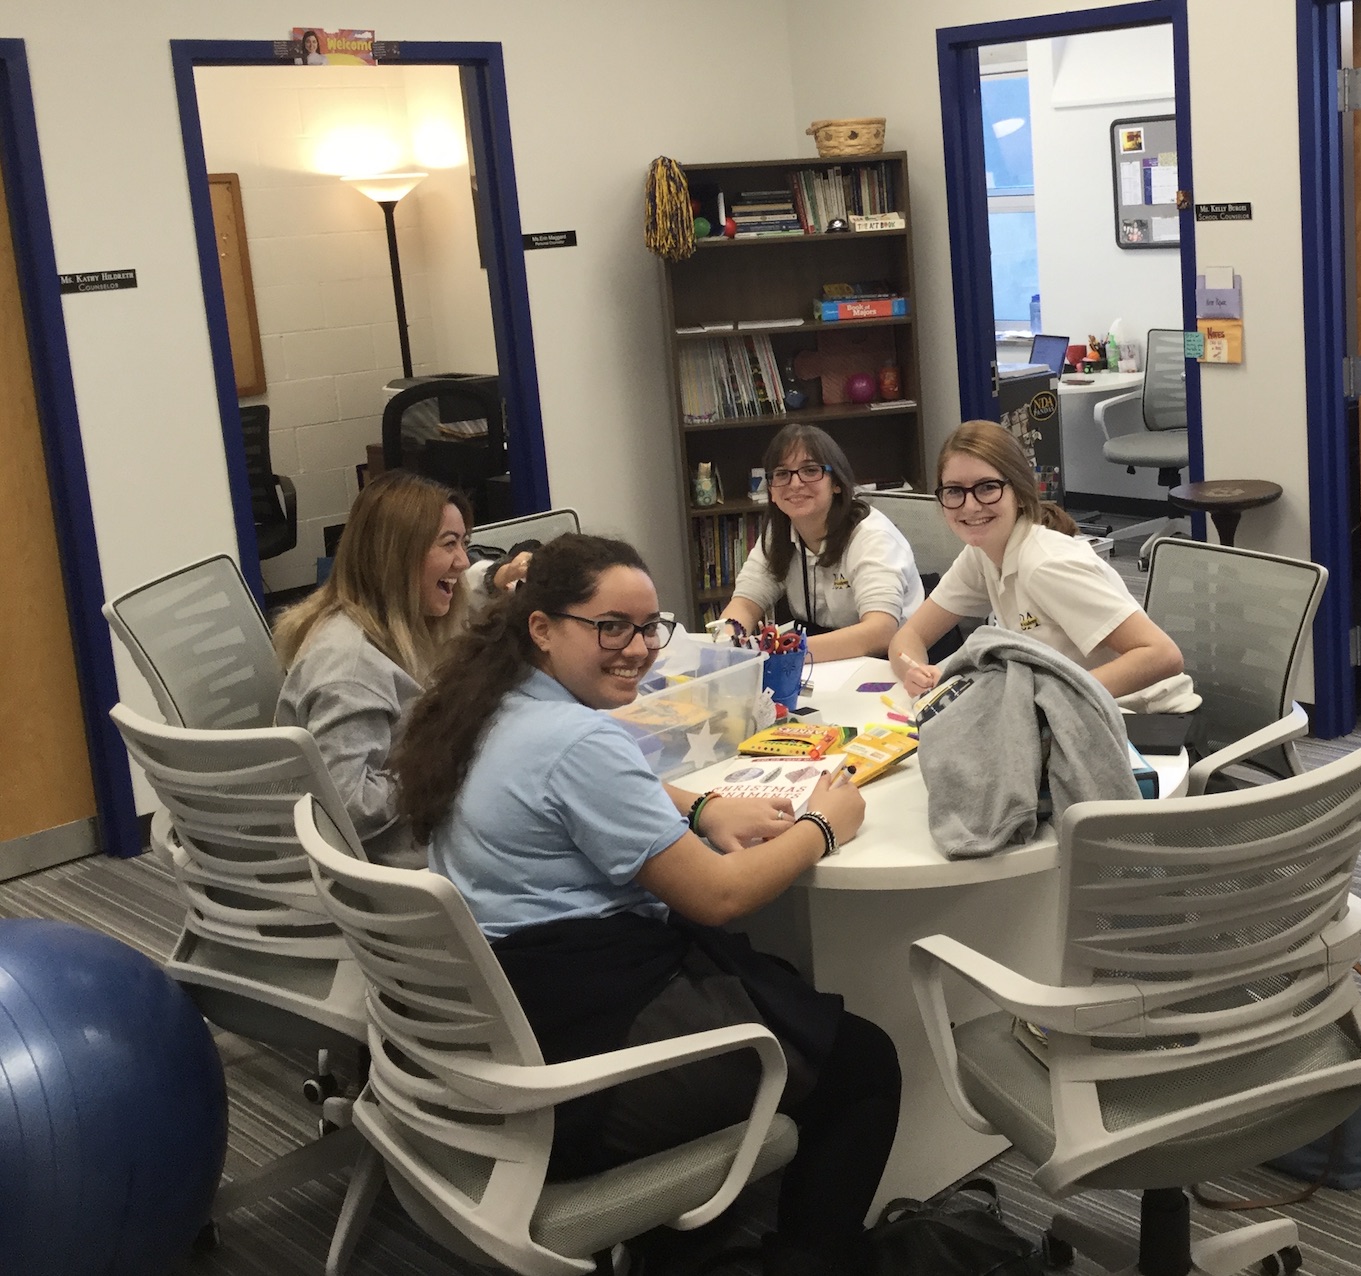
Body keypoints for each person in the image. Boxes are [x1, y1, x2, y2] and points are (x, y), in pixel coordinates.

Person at [395, 534, 898, 1276]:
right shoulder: (578, 742)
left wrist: (700, 809)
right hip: (580, 1074)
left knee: (773, 985)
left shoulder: (487, 706)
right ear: (542, 628)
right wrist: (826, 827)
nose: (637, 649)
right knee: (863, 1064)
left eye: (647, 628)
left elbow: (580, 786)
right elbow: (719, 894)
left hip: (502, 1033)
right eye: (610, 628)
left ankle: (677, 1242)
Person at [273, 471, 527, 865]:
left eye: (465, 544)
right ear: (399, 555)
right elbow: (347, 807)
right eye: (449, 545)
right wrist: (447, 759)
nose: (462, 561)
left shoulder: (392, 622)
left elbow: (467, 593)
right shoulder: (350, 668)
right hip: (395, 868)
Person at [889, 420, 1184, 701]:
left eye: (987, 487)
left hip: (1141, 720)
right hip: (1071, 710)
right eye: (954, 491)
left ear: (1018, 492)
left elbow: (1161, 655)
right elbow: (910, 635)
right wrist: (914, 671)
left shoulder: (1045, 564)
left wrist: (1055, 699)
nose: (970, 505)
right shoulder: (982, 555)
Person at [719, 423, 924, 662]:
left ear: (836, 482)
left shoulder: (872, 536)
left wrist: (782, 651)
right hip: (827, 656)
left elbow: (880, 632)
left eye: (810, 470)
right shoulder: (779, 533)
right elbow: (745, 603)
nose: (795, 484)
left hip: (899, 659)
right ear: (772, 491)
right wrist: (728, 642)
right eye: (782, 474)